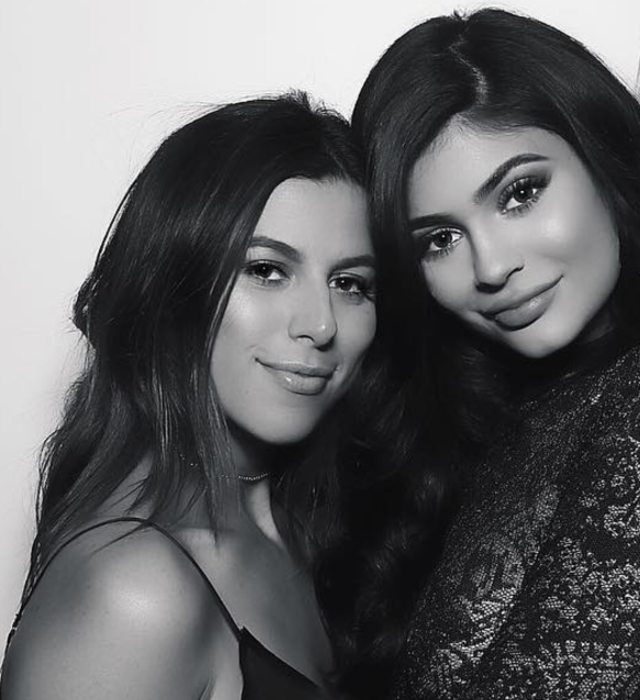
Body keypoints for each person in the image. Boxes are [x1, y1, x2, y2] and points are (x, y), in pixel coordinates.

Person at [1, 92, 380, 700]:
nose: (321, 323)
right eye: (266, 270)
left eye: (350, 283)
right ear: (172, 284)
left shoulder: (309, 526)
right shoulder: (134, 594)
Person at [346, 8, 640, 699]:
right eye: (439, 240)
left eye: (520, 193)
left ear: (604, 155)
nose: (492, 266)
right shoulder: (484, 427)